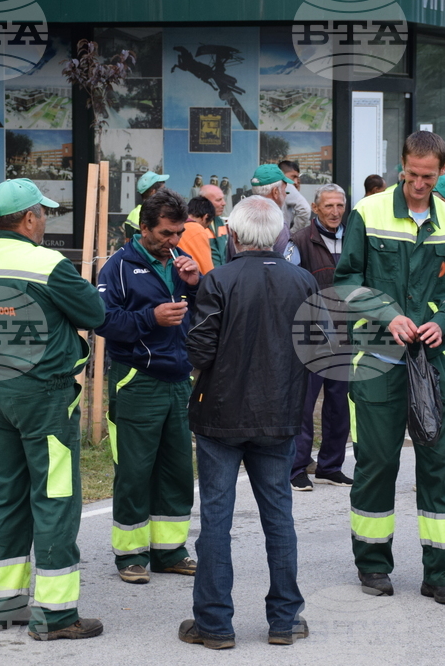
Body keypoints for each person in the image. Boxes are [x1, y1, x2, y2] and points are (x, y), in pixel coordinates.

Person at [0, 178, 105, 639]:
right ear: (27, 218)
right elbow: (94, 313)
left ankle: (0, 605)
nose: (45, 221)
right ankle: (56, 615)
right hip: (44, 395)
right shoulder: (48, 264)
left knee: (5, 492)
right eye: (42, 213)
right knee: (55, 496)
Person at [334, 131, 445, 605]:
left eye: (428, 177)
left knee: (440, 465)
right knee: (377, 462)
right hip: (376, 358)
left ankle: (440, 573)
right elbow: (347, 281)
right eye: (412, 174)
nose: (418, 183)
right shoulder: (368, 213)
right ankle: (373, 565)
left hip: (432, 362)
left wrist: (441, 322)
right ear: (402, 166)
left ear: (441, 173)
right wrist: (386, 315)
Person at [179, 196, 316, 649]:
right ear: (278, 235)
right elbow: (317, 349)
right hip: (279, 413)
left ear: (233, 235)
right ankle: (285, 619)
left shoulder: (219, 280)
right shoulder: (303, 281)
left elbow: (200, 350)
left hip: (221, 414)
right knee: (278, 516)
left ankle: (215, 623)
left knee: (216, 519)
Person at [96, 188, 202, 585]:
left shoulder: (181, 261)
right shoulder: (118, 267)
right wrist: (150, 318)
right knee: (135, 471)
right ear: (144, 228)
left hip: (179, 380)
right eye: (165, 233)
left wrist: (195, 284)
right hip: (137, 380)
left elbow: (205, 313)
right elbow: (102, 321)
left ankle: (170, 551)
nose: (173, 240)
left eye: (179, 232)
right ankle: (131, 555)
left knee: (177, 470)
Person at [285, 183, 354, 492]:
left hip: (346, 335)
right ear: (315, 208)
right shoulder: (299, 240)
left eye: (340, 205)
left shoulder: (355, 238)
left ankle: (330, 467)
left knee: (339, 405)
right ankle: (297, 467)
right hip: (311, 336)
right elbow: (288, 285)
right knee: (304, 406)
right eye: (329, 206)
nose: (335, 212)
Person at [250, 164, 293, 254]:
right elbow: (286, 260)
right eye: (284, 190)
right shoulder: (279, 225)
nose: (285, 194)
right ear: (275, 192)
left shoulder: (238, 221)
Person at [178, 195, 216, 274]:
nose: (205, 229)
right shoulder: (197, 229)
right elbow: (207, 271)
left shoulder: (175, 227)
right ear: (205, 217)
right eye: (207, 225)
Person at [125, 171, 171, 235]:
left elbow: (128, 239)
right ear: (153, 191)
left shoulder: (133, 213)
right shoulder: (156, 213)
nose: (166, 192)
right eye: (163, 189)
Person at [198, 183, 230, 267]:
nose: (224, 203)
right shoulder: (196, 225)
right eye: (218, 200)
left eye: (223, 199)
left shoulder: (220, 221)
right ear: (204, 202)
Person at [279, 160, 311, 232]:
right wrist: (293, 233)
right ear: (282, 175)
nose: (296, 182)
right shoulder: (287, 186)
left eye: (297, 178)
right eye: (293, 177)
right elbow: (305, 210)